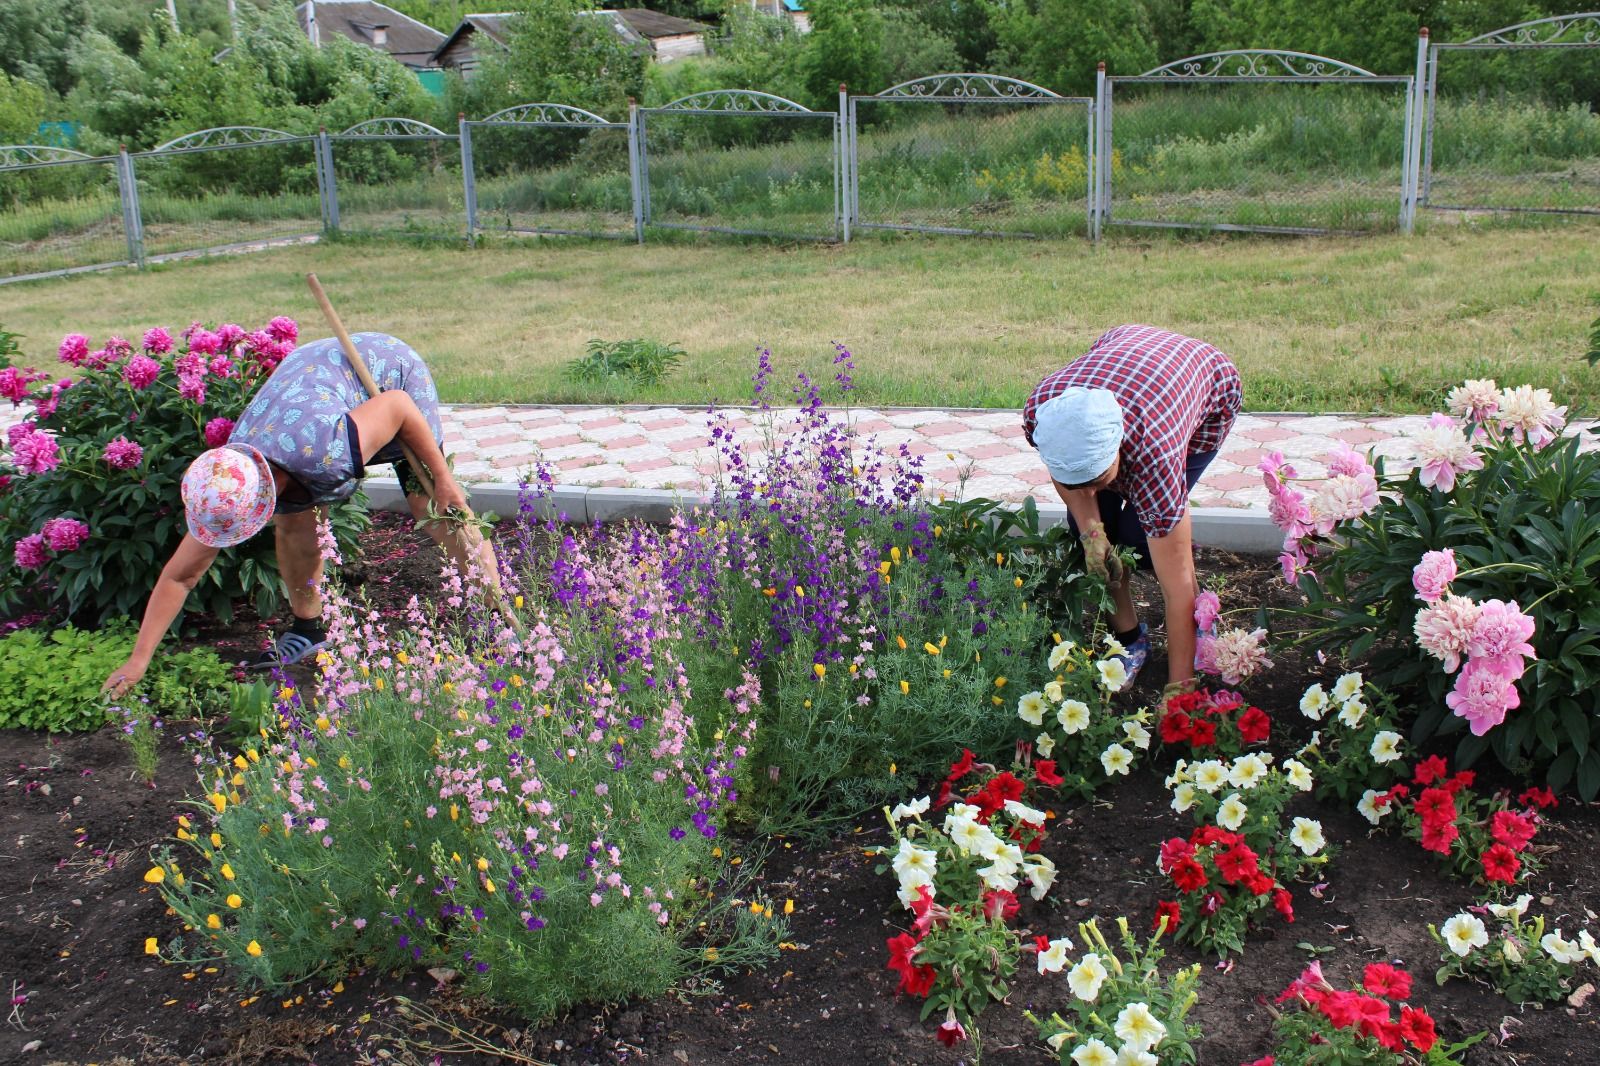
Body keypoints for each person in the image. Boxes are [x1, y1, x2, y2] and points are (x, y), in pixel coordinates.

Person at [103, 332, 499, 697]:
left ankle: (500, 614)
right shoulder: (226, 482)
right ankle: (308, 630)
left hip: (387, 372)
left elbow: (397, 406)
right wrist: (138, 660)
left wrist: (443, 478)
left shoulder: (327, 449)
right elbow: (180, 575)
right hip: (312, 383)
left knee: (430, 506)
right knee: (295, 525)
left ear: (265, 489)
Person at [1023, 324, 1241, 696]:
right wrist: (1092, 533)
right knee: (1091, 536)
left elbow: (1177, 585)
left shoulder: (1158, 453)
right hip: (1124, 347)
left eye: (1098, 478)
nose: (1089, 491)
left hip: (1206, 384)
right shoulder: (1043, 412)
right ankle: (1131, 641)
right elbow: (1074, 481)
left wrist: (1180, 689)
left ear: (1120, 448)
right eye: (1079, 483)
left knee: (1140, 539)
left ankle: (1202, 617)